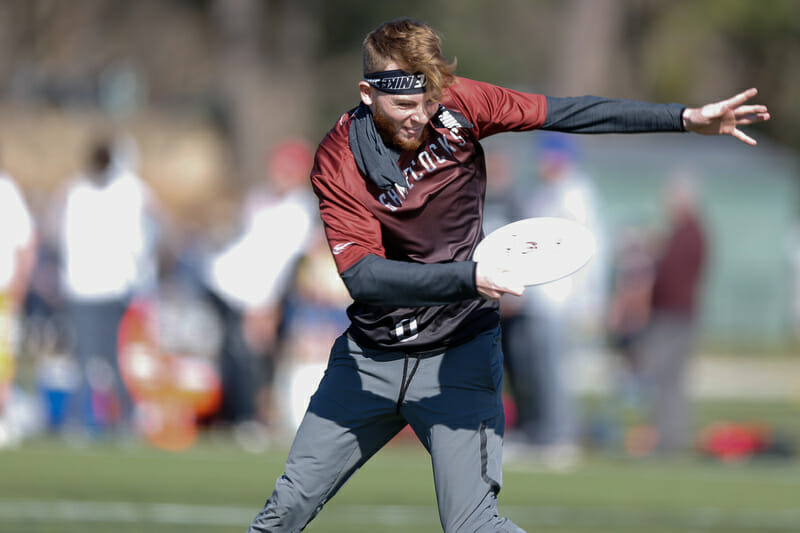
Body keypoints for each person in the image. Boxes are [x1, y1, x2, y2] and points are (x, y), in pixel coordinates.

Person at [247, 18, 770, 533]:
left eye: (428, 102)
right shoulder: (337, 161)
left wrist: (683, 118)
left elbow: (568, 113)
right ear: (368, 93)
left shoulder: (461, 103)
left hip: (458, 355)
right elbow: (363, 277)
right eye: (404, 104)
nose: (420, 117)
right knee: (282, 513)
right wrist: (468, 276)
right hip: (370, 361)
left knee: (472, 525)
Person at [59, 136, 159, 439]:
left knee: (102, 359)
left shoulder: (110, 190)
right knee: (91, 358)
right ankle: (89, 420)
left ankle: (115, 420)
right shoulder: (87, 191)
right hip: (93, 288)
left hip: (107, 288)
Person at [641, 174, 708, 454]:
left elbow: (671, 276)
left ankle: (671, 439)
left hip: (674, 316)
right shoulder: (683, 233)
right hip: (676, 314)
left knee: (668, 379)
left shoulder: (689, 234)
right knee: (667, 380)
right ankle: (669, 436)